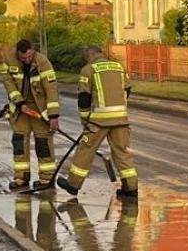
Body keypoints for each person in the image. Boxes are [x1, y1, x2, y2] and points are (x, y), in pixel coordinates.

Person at [57, 44, 138, 199]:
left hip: (99, 121)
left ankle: (73, 185)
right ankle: (131, 187)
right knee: (122, 152)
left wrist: (85, 120)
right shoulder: (118, 67)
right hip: (121, 118)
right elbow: (127, 89)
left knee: (86, 150)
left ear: (89, 55)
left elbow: (84, 98)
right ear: (101, 53)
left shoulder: (88, 70)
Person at [1, 39, 60, 192]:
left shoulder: (43, 62)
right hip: (21, 109)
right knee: (19, 142)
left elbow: (51, 89)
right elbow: (9, 84)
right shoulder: (9, 60)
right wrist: (20, 103)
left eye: (29, 57)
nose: (26, 60)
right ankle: (21, 178)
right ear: (18, 54)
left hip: (39, 108)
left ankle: (46, 179)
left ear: (32, 51)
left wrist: (53, 116)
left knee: (43, 143)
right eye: (23, 58)